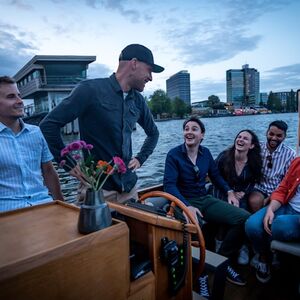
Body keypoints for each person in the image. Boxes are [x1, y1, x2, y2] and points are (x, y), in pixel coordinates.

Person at [40, 44, 163, 203]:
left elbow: (154, 133)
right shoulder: (90, 90)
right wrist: (68, 164)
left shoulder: (138, 100)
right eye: (149, 70)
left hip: (130, 190)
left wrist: (140, 158)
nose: (151, 77)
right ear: (134, 63)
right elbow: (48, 125)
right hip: (98, 192)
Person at [163, 117, 250, 298]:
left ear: (202, 135)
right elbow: (169, 186)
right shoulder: (173, 154)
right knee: (198, 227)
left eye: (194, 129)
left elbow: (216, 176)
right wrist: (187, 206)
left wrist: (229, 192)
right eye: (186, 128)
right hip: (181, 201)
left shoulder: (206, 153)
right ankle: (201, 276)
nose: (189, 131)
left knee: (243, 218)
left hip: (204, 198)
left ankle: (223, 260)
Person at [0, 76, 64, 212]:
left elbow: (48, 171)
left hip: (43, 204)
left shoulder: (36, 132)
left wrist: (63, 207)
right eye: (11, 97)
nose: (20, 101)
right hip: (7, 212)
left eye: (19, 95)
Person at [245, 157, 300, 283]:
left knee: (279, 225)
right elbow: (283, 188)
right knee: (252, 225)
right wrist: (271, 209)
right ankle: (264, 257)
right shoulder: (297, 162)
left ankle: (275, 255)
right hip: (286, 205)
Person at [213, 130, 262, 265]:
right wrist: (229, 191)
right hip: (221, 191)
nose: (240, 140)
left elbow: (253, 181)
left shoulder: (253, 162)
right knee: (226, 208)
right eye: (239, 137)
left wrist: (243, 193)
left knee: (244, 213)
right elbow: (213, 176)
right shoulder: (224, 157)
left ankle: (243, 246)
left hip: (241, 194)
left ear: (251, 145)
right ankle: (220, 242)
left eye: (245, 139)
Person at [248, 120, 295, 212]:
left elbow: (288, 180)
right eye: (271, 134)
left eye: (279, 136)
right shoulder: (257, 148)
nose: (274, 138)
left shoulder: (290, 154)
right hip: (259, 187)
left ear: (284, 137)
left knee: (273, 205)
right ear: (266, 133)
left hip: (278, 189)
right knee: (254, 201)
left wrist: (272, 196)